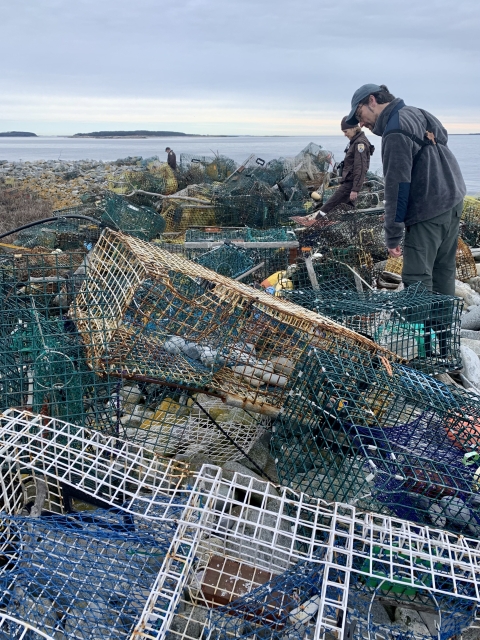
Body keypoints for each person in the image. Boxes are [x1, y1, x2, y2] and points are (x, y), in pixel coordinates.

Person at [345, 84, 466, 296]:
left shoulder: (394, 131)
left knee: (417, 277)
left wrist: (392, 237)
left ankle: (418, 329)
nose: (362, 124)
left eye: (359, 114)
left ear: (372, 100)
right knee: (443, 270)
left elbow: (397, 188)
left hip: (429, 210)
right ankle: (442, 328)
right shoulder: (417, 112)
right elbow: (443, 138)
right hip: (454, 199)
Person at [291, 117, 373, 225]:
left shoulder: (359, 144)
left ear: (353, 128)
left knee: (331, 204)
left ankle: (314, 222)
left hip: (350, 184)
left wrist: (355, 189)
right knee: (348, 209)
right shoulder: (355, 142)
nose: (345, 134)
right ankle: (347, 228)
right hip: (350, 183)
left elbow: (360, 167)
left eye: (345, 131)